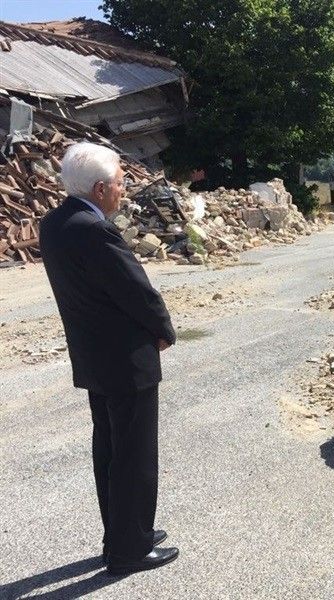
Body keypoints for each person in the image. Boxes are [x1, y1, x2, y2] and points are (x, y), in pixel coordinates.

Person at [39, 142, 179, 574]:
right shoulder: (93, 230)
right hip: (125, 358)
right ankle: (128, 550)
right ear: (100, 189)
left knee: (111, 450)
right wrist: (163, 330)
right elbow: (135, 290)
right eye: (120, 183)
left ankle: (126, 530)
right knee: (134, 454)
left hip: (95, 355)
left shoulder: (56, 222)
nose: (124, 191)